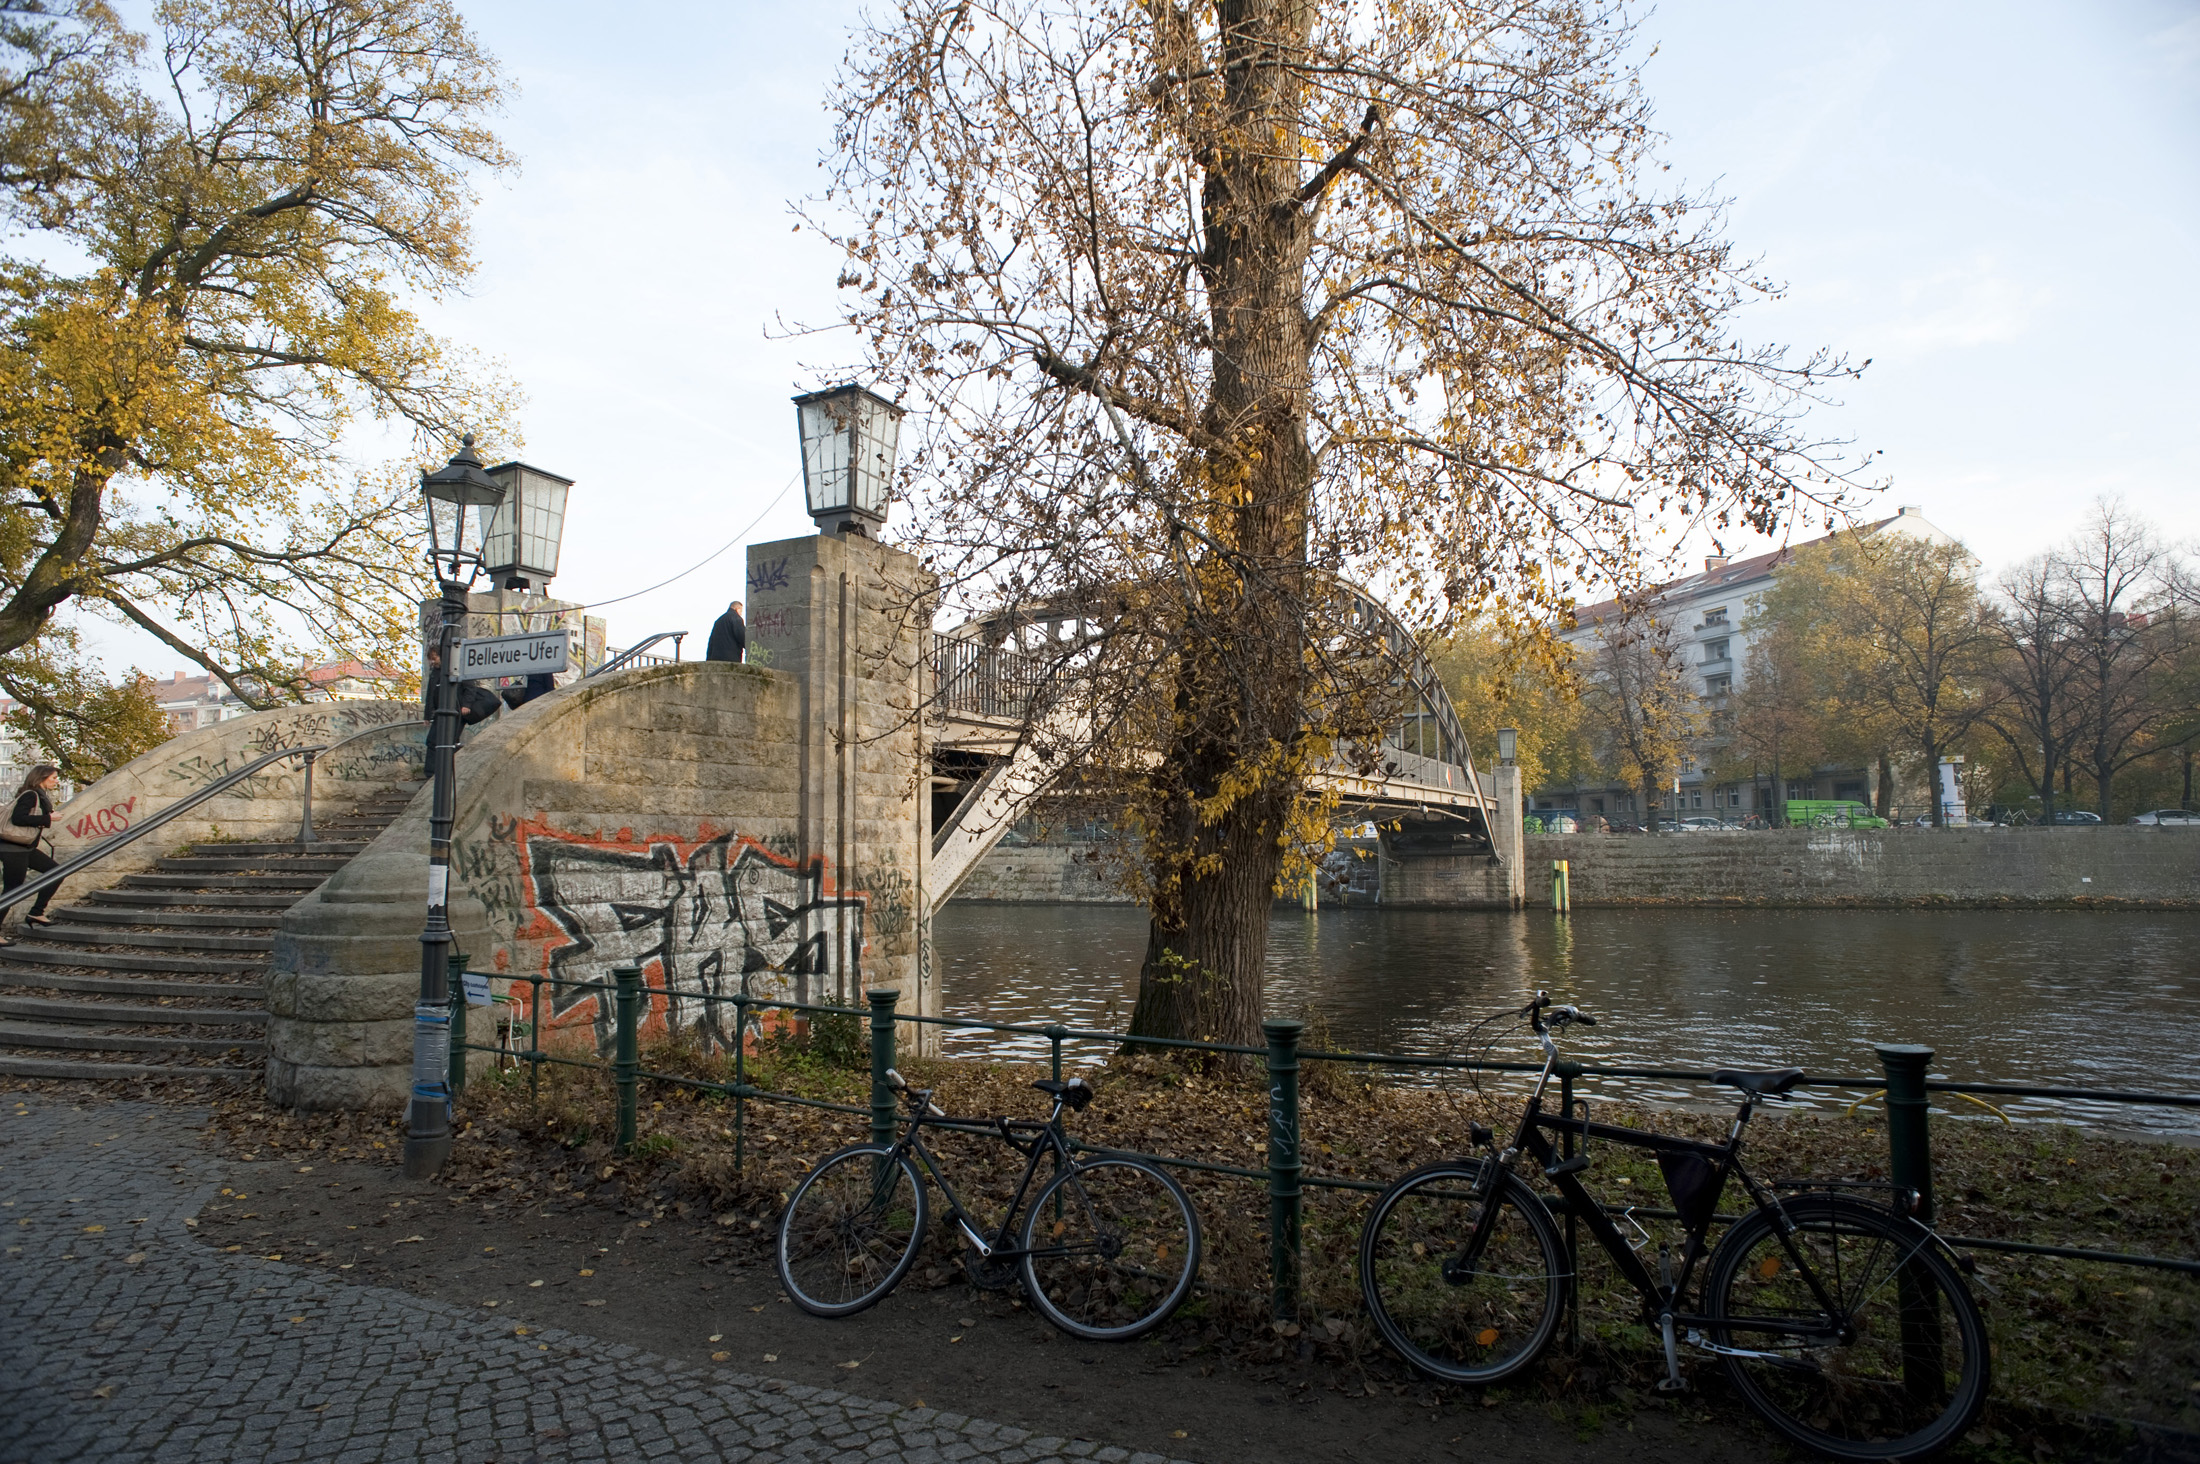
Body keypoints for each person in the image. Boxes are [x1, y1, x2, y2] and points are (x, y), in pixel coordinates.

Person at [1, 764, 64, 944]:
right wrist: (48, 818)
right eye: (53, 778)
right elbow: (18, 819)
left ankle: (36, 913)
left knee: (56, 871)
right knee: (12, 891)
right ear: (41, 778)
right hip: (13, 849)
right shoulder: (31, 795)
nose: (56, 781)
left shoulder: (39, 795)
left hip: (25, 848)